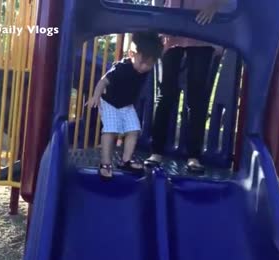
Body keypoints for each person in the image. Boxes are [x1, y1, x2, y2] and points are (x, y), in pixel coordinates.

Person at [145, 0, 229, 173]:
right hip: (172, 27)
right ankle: (156, 151)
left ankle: (194, 156)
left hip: (202, 29)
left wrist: (214, 5)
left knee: (197, 96)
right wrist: (158, 17)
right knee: (166, 93)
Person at [86, 31, 163, 180]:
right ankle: (105, 163)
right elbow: (103, 81)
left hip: (126, 105)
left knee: (134, 130)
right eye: (142, 62)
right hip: (109, 102)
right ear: (132, 54)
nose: (144, 67)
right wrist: (96, 96)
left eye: (150, 64)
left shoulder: (145, 67)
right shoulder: (122, 67)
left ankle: (126, 160)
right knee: (111, 130)